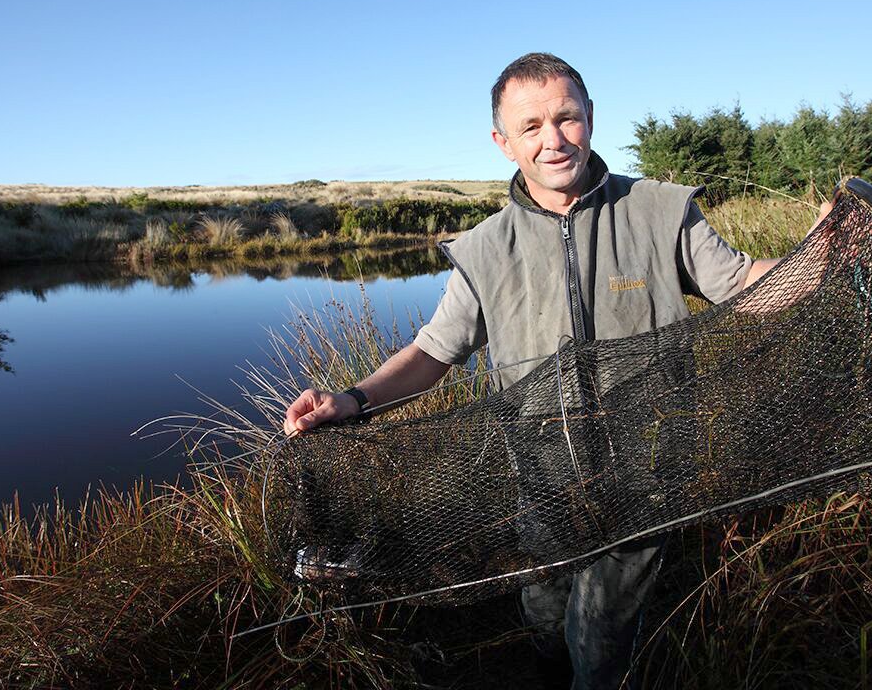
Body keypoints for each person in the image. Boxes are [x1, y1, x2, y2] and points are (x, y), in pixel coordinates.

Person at [284, 53, 832, 689]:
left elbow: (742, 285)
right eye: (531, 126)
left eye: (567, 118)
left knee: (598, 641)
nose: (553, 140)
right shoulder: (485, 248)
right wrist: (351, 399)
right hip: (537, 476)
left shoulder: (661, 209)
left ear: (591, 118)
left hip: (643, 473)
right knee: (544, 612)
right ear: (503, 142)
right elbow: (433, 352)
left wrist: (814, 256)